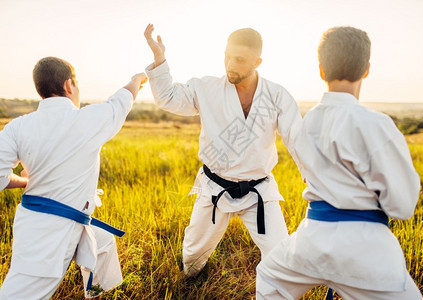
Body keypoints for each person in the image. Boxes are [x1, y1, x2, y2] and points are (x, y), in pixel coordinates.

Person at [256, 26, 423, 299]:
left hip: (311, 240)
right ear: (366, 70)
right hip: (368, 249)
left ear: (321, 70)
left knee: (269, 276)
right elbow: (402, 206)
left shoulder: (305, 125)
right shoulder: (376, 124)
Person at [144, 24, 301, 276]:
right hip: (215, 187)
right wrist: (160, 59)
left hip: (258, 190)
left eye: (239, 60)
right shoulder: (206, 88)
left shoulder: (277, 96)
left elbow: (297, 139)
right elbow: (167, 98)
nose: (230, 64)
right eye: (227, 56)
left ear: (257, 61)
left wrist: (314, 178)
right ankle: (189, 285)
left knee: (280, 254)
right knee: (193, 259)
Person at [0, 56, 147, 299]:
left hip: (45, 221)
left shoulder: (17, 127)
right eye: (76, 85)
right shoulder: (87, 119)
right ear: (69, 85)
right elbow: (121, 100)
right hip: (47, 234)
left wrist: (27, 181)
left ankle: (96, 292)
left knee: (104, 243)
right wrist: (136, 80)